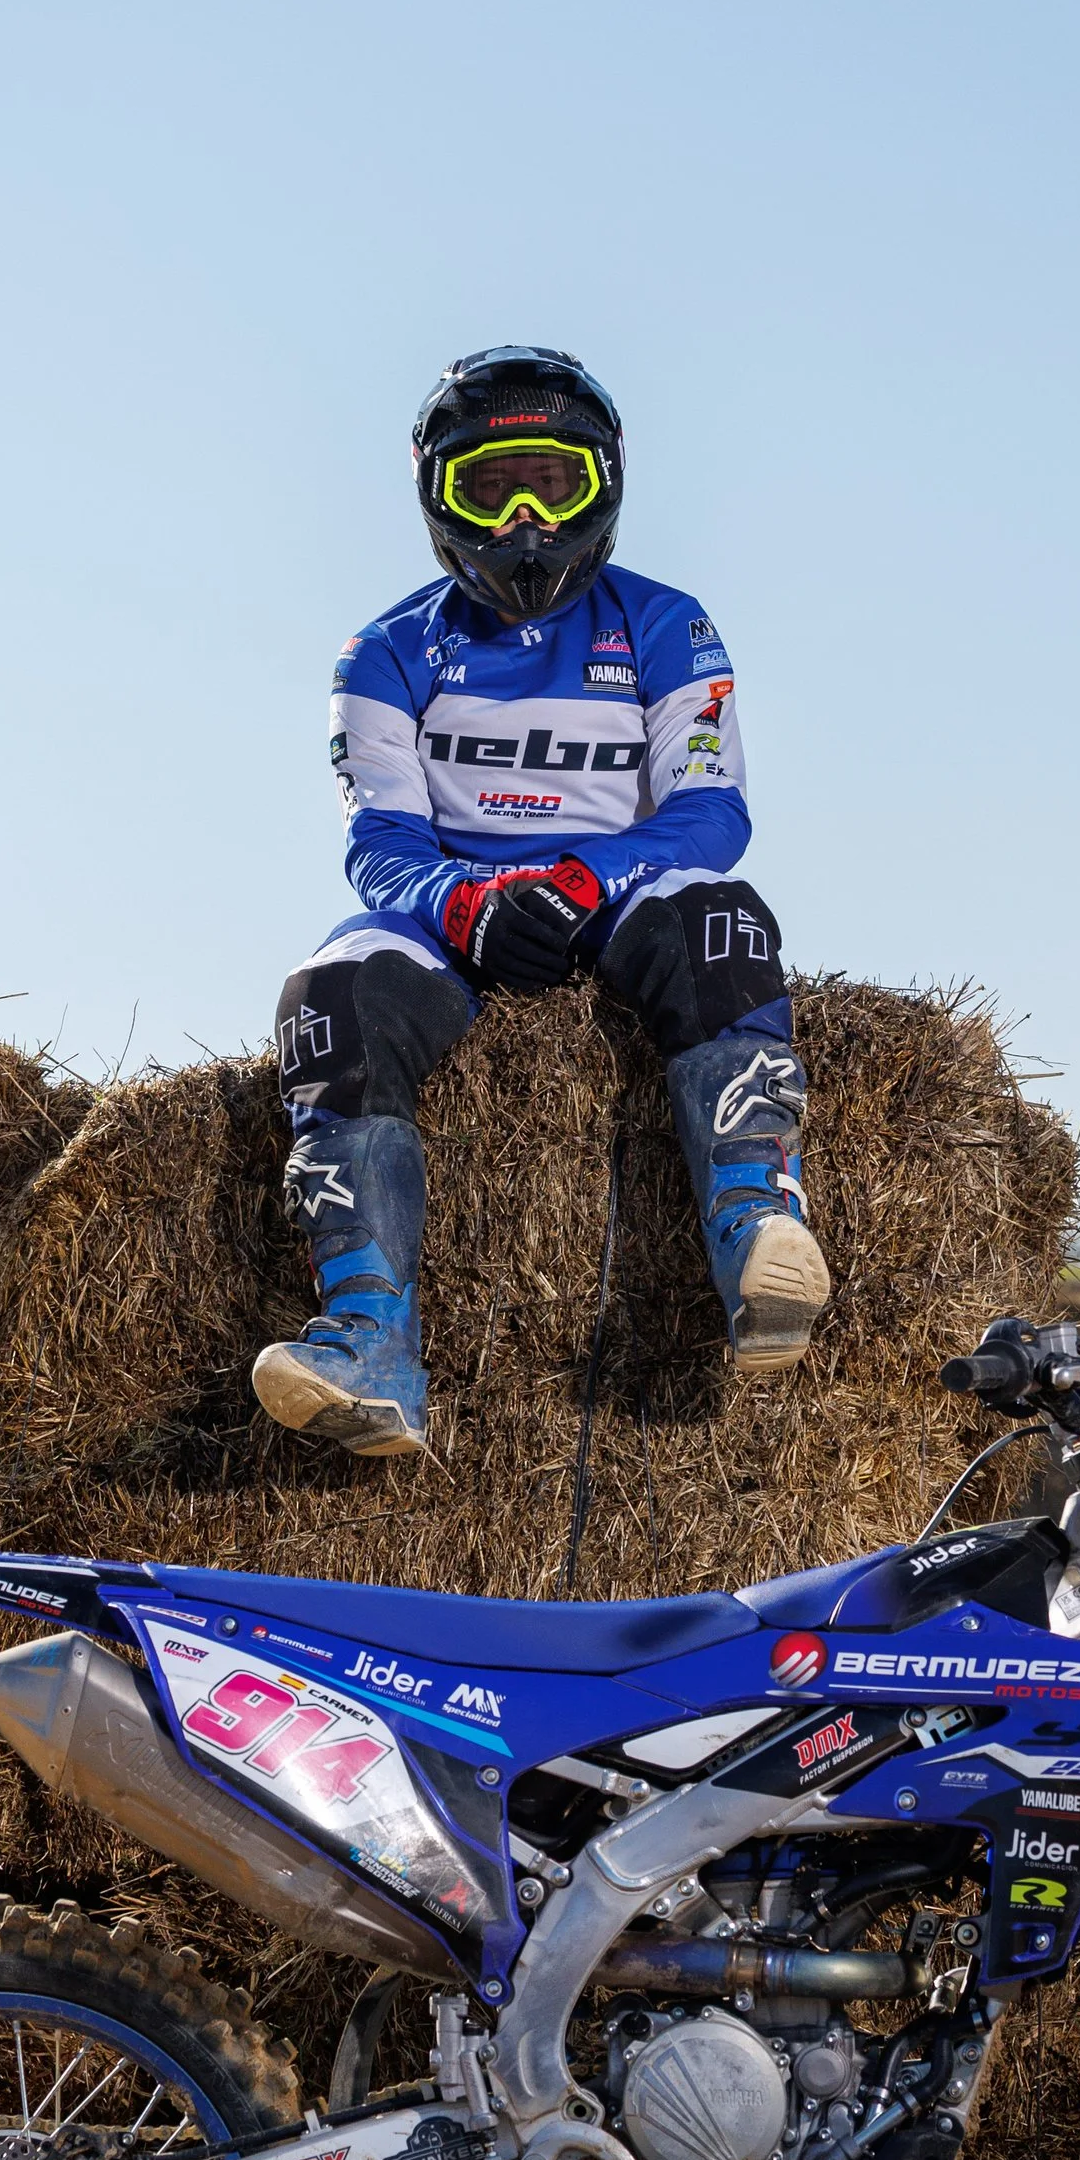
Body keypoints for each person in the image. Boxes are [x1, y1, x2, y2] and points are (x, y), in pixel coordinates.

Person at [252, 345, 829, 1455]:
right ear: (437, 497)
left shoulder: (668, 624)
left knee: (721, 912)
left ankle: (758, 1226)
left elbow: (709, 812)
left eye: (557, 485)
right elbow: (380, 843)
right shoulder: (379, 651)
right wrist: (466, 905)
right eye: (490, 488)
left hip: (619, 891)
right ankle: (369, 1341)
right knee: (324, 995)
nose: (524, 521)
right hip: (455, 913)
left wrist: (578, 880)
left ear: (606, 485)